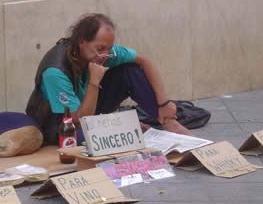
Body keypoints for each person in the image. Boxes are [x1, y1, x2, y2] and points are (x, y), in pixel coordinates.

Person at [26, 13, 192, 145]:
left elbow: (144, 60)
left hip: (89, 109)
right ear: (82, 41)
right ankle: (115, 126)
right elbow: (80, 120)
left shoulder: (102, 52)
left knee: (129, 71)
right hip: (62, 124)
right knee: (85, 137)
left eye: (109, 48)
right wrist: (94, 81)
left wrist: (163, 104)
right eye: (100, 48)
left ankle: (168, 122)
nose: (105, 54)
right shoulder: (56, 71)